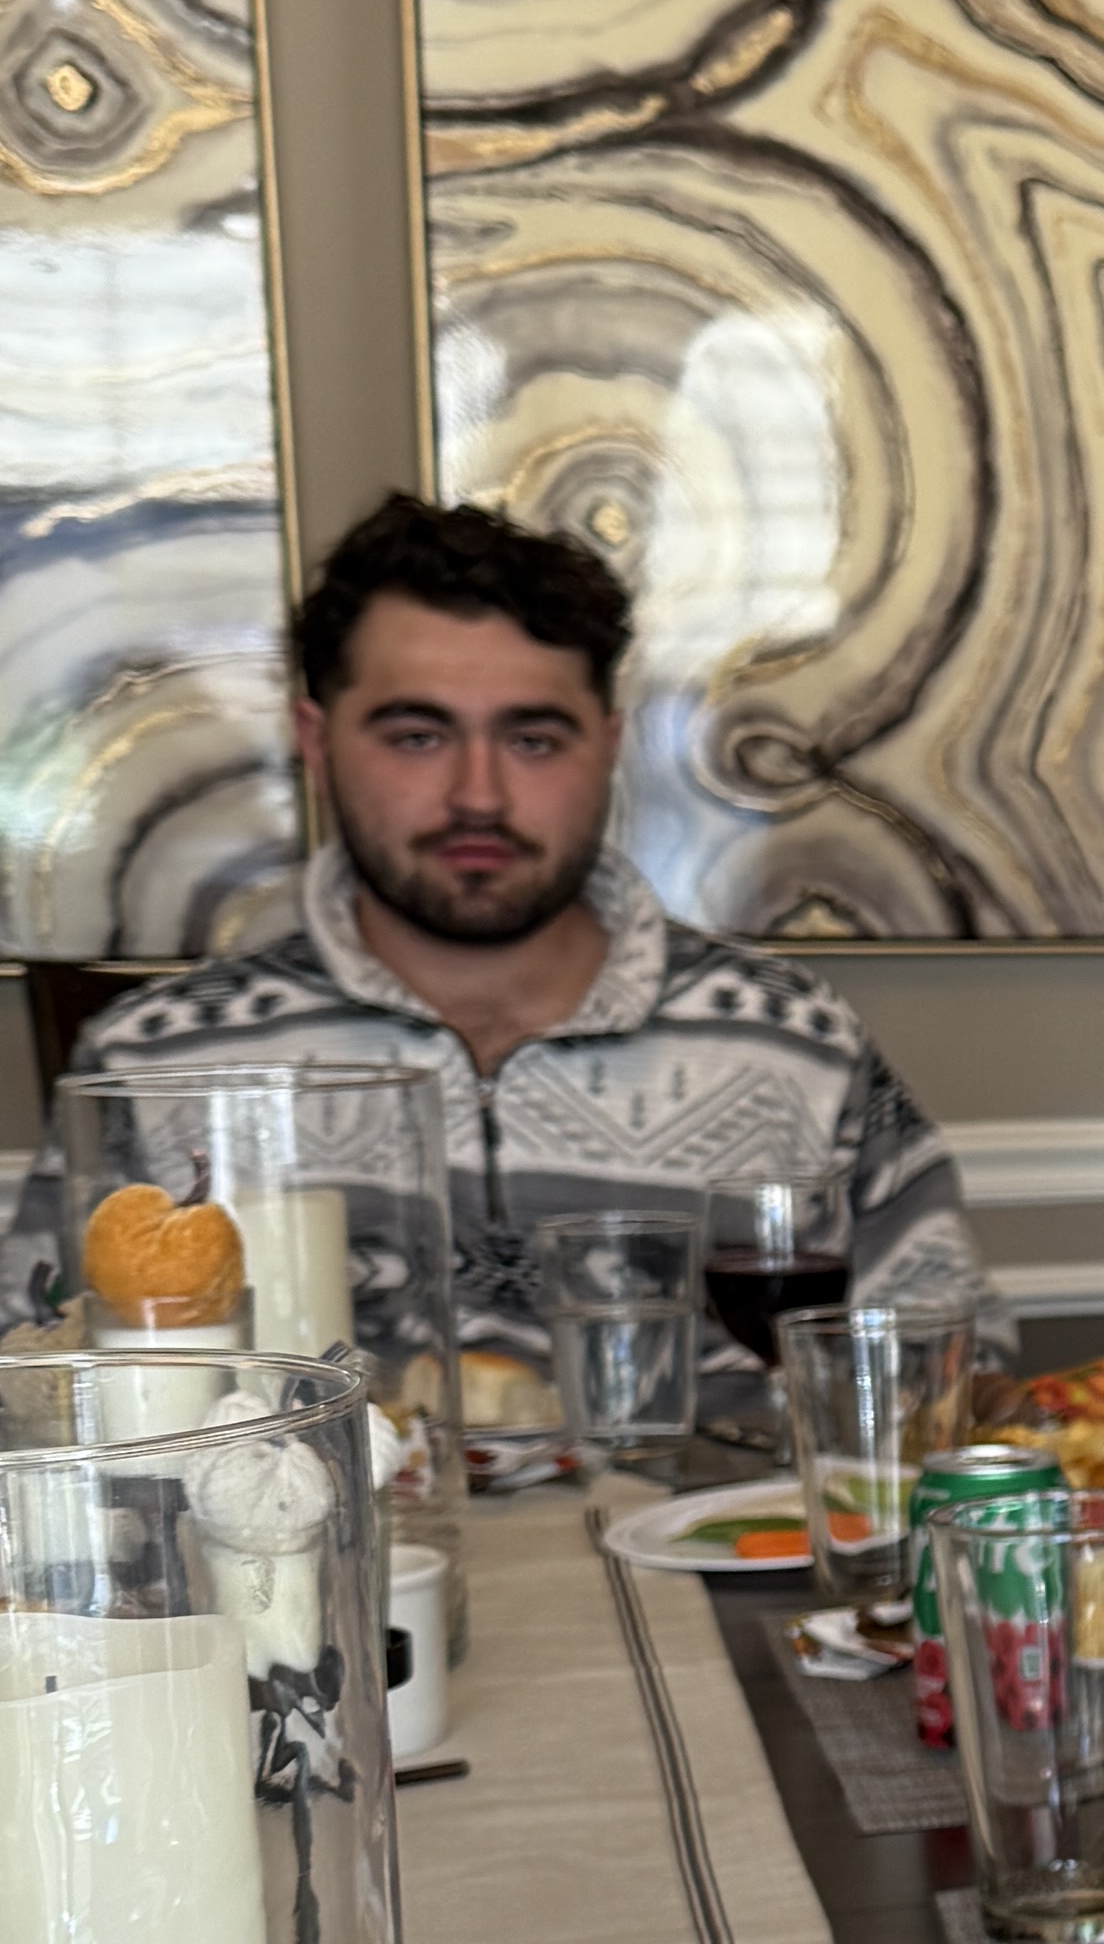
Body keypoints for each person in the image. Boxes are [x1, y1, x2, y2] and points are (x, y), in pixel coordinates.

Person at [8, 493, 980, 1362]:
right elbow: (37, 1386)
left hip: (723, 1559)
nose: (479, 795)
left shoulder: (794, 1043)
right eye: (418, 736)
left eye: (532, 738)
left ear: (606, 745)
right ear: (316, 742)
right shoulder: (157, 1068)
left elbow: (948, 1375)